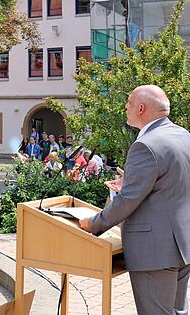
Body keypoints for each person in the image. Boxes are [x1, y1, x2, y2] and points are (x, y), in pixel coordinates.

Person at [79, 85, 190, 314]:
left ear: (141, 108)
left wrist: (94, 224)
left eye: (128, 103)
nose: (125, 107)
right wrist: (131, 181)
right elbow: (172, 181)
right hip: (183, 244)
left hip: (155, 251)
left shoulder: (145, 145)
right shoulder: (183, 135)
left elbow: (127, 201)